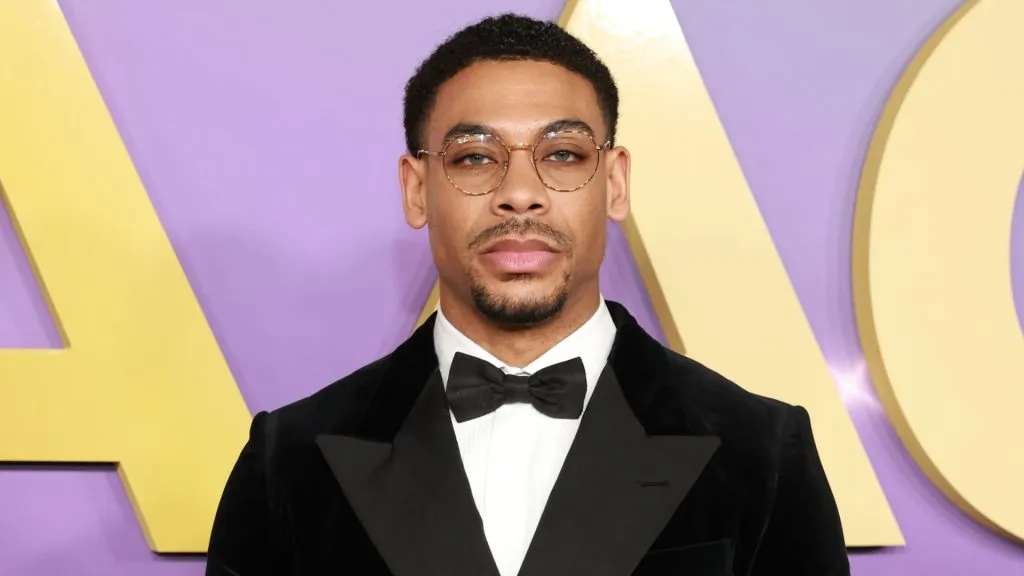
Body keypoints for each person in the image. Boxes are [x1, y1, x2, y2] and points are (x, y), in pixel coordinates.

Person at [205, 13, 849, 576]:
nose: (520, 192)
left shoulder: (760, 449)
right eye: (475, 158)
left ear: (616, 182)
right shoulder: (288, 459)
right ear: (416, 188)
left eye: (564, 154)